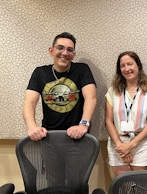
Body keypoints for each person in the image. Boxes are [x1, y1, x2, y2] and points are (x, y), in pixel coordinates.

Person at [22, 32, 97, 186]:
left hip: (77, 139)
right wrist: (32, 127)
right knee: (54, 183)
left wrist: (83, 124)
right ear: (51, 50)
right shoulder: (40, 73)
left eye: (70, 50)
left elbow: (91, 98)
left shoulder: (82, 70)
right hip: (50, 139)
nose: (65, 53)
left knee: (77, 184)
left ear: (74, 54)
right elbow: (29, 103)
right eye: (60, 48)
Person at [105, 51, 147, 177]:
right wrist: (121, 146)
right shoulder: (113, 91)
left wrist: (131, 145)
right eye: (122, 66)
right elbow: (108, 121)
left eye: (130, 64)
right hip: (117, 144)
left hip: (141, 144)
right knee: (124, 187)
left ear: (138, 66)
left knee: (140, 186)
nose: (126, 69)